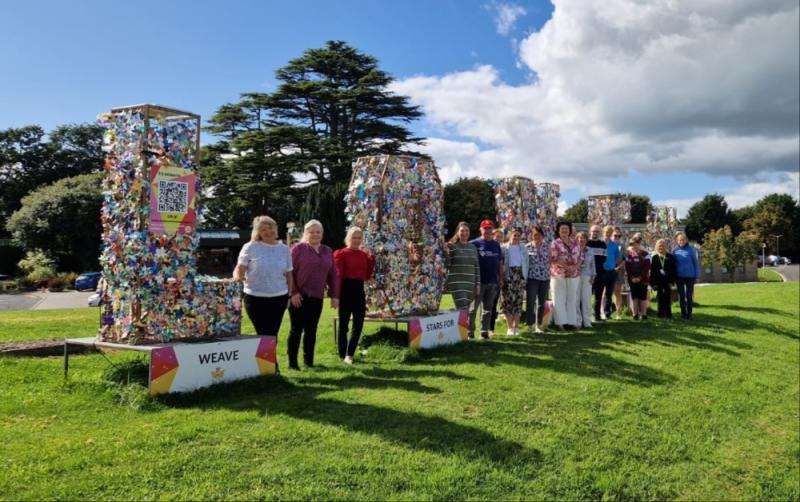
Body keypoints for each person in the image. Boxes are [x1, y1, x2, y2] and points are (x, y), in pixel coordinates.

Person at [288, 219, 338, 369]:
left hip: (317, 296)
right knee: (296, 329)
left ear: (322, 234)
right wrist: (294, 293)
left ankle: (308, 362)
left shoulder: (327, 251)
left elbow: (333, 275)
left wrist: (334, 295)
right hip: (298, 296)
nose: (315, 234)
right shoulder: (297, 249)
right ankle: (292, 364)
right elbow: (288, 272)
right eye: (312, 232)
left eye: (318, 232)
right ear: (306, 233)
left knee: (311, 329)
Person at [233, 216, 293, 340]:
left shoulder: (284, 249)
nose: (268, 232)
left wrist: (289, 295)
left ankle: (270, 359)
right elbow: (240, 268)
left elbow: (289, 274)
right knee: (263, 334)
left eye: (270, 228)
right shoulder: (250, 247)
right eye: (263, 229)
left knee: (273, 334)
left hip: (279, 298)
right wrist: (237, 277)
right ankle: (269, 359)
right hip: (255, 299)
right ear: (257, 232)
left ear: (276, 229)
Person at [334, 227, 375, 365]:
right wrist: (336, 295)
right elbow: (338, 276)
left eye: (359, 237)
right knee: (343, 325)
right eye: (354, 237)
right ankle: (342, 354)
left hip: (359, 290)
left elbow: (367, 275)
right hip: (346, 289)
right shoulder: (341, 253)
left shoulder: (364, 255)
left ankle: (349, 354)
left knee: (358, 323)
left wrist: (371, 258)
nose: (356, 240)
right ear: (348, 238)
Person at [469, 220, 504, 339]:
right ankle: (470, 333)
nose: (487, 230)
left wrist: (501, 278)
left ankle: (484, 332)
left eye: (489, 228)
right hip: (478, 283)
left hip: (493, 282)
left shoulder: (496, 244)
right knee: (473, 309)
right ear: (481, 229)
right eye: (485, 228)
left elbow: (500, 262)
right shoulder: (474, 243)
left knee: (488, 309)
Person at [549, 221, 581, 330]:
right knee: (559, 298)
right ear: (558, 231)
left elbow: (581, 257)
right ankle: (560, 323)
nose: (564, 230)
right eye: (562, 228)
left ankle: (572, 322)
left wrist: (575, 267)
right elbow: (554, 259)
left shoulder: (575, 243)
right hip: (559, 275)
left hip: (574, 275)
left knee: (572, 298)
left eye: (566, 228)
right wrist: (568, 268)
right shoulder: (555, 243)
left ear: (570, 230)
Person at [444, 221, 480, 312]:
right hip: (457, 283)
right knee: (462, 308)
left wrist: (478, 284)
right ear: (457, 232)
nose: (464, 233)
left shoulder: (473, 247)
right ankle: (461, 325)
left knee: (465, 310)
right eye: (462, 231)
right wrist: (447, 254)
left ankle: (460, 325)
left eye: (466, 231)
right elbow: (448, 265)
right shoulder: (452, 246)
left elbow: (476, 267)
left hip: (470, 284)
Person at [501, 227, 528, 335]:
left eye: (518, 235)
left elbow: (527, 262)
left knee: (518, 302)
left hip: (520, 276)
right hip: (508, 276)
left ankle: (516, 327)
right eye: (514, 235)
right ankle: (509, 328)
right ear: (510, 235)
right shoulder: (504, 248)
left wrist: (525, 276)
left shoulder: (523, 247)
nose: (516, 237)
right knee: (508, 302)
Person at [525, 225, 550, 334]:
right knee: (530, 302)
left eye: (539, 235)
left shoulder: (547, 247)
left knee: (541, 303)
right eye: (535, 235)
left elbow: (551, 261)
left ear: (543, 236)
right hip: (532, 278)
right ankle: (530, 325)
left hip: (545, 278)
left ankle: (538, 325)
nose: (537, 237)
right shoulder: (527, 247)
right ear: (531, 235)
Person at [673, 232, 700, 320]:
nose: (681, 241)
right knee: (681, 295)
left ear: (686, 240)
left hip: (690, 276)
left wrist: (697, 275)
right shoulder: (675, 251)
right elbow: (673, 265)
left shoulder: (691, 250)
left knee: (689, 295)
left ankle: (689, 313)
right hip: (679, 276)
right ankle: (683, 313)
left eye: (683, 239)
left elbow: (696, 264)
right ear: (677, 241)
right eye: (680, 240)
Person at [625, 232, 651, 320]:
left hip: (643, 280)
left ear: (638, 244)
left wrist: (639, 278)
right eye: (630, 245)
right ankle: (635, 315)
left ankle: (643, 315)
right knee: (634, 297)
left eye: (634, 244)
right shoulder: (629, 255)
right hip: (632, 280)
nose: (632, 246)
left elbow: (646, 268)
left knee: (643, 297)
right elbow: (627, 268)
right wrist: (632, 278)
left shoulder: (645, 254)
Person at [650, 238, 676, 319]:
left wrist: (672, 281)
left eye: (663, 246)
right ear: (657, 247)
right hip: (658, 281)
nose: (661, 247)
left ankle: (668, 314)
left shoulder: (670, 257)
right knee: (660, 298)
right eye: (659, 246)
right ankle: (660, 314)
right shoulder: (654, 257)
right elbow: (652, 271)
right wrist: (653, 283)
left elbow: (673, 269)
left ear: (665, 246)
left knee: (668, 297)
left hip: (668, 281)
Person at [586, 225, 608, 322]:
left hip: (600, 273)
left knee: (598, 296)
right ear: (590, 232)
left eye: (597, 231)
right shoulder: (586, 243)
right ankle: (586, 316)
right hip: (588, 273)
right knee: (587, 295)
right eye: (593, 231)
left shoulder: (603, 244)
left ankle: (597, 315)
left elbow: (603, 258)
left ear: (599, 233)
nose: (595, 233)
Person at [575, 231, 595, 328]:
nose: (581, 240)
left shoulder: (590, 250)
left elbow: (593, 265)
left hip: (587, 277)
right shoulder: (573, 250)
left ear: (586, 240)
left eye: (583, 238)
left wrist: (593, 276)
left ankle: (587, 321)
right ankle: (578, 321)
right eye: (579, 238)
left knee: (586, 300)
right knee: (576, 299)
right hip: (575, 276)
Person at [489, 228, 506, 334]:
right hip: (487, 280)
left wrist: (501, 279)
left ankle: (491, 329)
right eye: (497, 236)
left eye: (501, 237)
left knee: (493, 305)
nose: (498, 238)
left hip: (497, 281)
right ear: (492, 236)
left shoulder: (502, 249)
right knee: (487, 306)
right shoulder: (488, 246)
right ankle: (484, 328)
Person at [611, 227, 626, 320]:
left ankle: (618, 314)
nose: (617, 237)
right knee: (606, 293)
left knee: (617, 293)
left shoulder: (622, 246)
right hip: (608, 271)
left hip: (619, 271)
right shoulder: (607, 244)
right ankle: (603, 312)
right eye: (615, 235)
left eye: (619, 235)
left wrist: (618, 267)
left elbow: (624, 259)